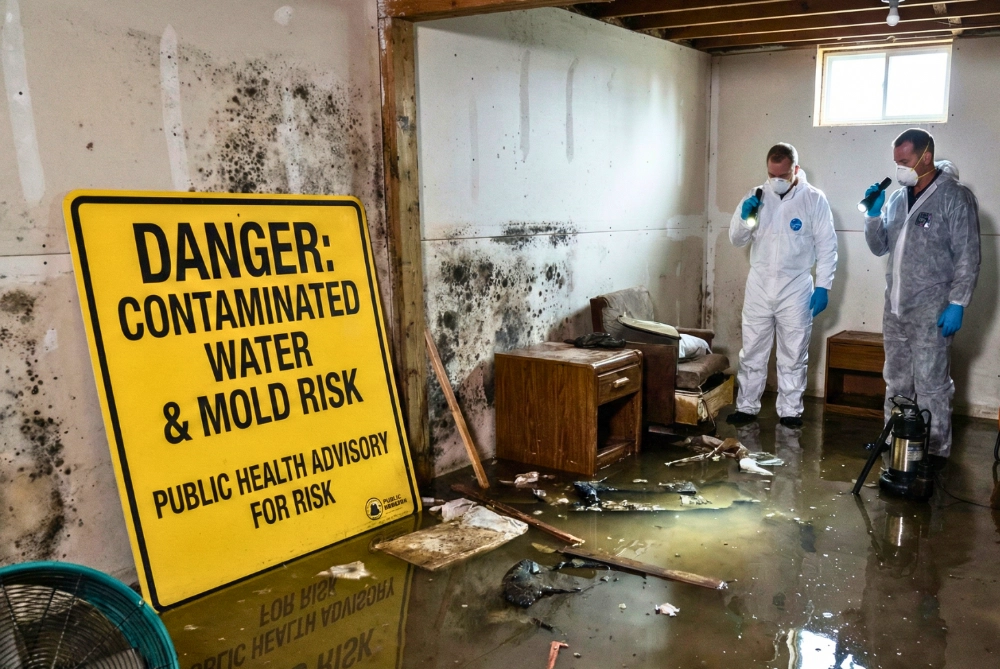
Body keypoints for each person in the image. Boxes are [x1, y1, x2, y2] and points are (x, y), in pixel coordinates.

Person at [862, 128, 980, 469]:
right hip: (896, 309)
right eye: (896, 161)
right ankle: (896, 437)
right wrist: (872, 214)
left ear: (926, 156)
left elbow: (969, 254)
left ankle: (934, 450)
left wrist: (958, 303)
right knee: (896, 381)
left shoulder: (955, 198)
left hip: (933, 309)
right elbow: (879, 246)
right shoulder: (898, 199)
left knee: (932, 385)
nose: (899, 167)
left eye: (905, 160)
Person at [727, 143, 838, 428]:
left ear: (795, 170)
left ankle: (790, 411)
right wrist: (744, 218)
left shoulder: (813, 199)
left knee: (793, 353)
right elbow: (736, 239)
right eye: (771, 174)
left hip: (796, 285)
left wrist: (823, 285)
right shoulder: (756, 195)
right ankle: (747, 407)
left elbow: (827, 245)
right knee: (752, 350)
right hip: (759, 284)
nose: (777, 180)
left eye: (783, 174)